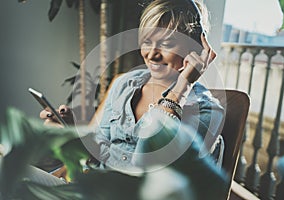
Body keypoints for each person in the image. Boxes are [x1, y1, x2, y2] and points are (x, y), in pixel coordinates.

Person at [40, 0, 227, 190]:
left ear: (195, 48)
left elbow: (149, 169)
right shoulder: (125, 84)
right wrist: (72, 130)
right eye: (147, 42)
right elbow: (96, 150)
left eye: (166, 44)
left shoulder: (206, 111)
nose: (151, 54)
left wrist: (182, 87)